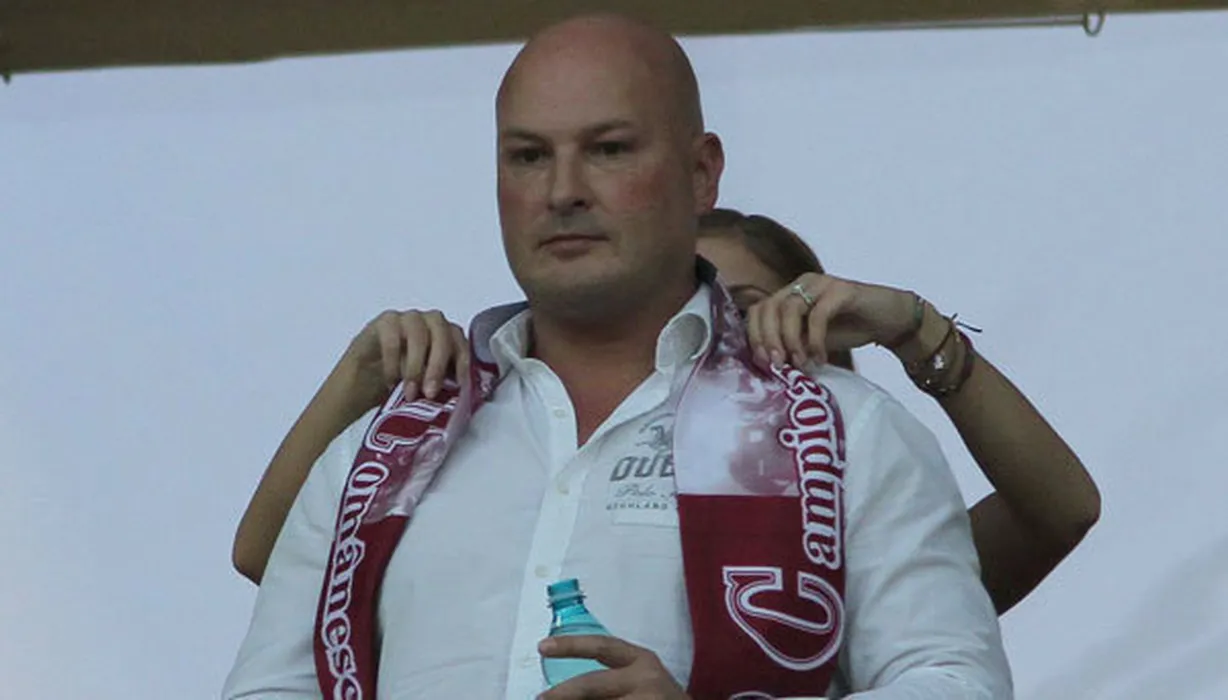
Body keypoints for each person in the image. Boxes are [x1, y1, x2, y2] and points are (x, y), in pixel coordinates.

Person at [223, 13, 1011, 699]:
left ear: (701, 173)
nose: (562, 190)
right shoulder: (379, 452)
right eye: (528, 156)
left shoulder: (850, 435)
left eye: (607, 149)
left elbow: (957, 683)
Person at [233, 208, 1100, 616]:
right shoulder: (538, 508)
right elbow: (273, 558)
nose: (704, 338)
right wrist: (363, 376)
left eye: (745, 309)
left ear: (823, 350)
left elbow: (1059, 511)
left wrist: (912, 327)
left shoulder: (873, 541)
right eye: (675, 315)